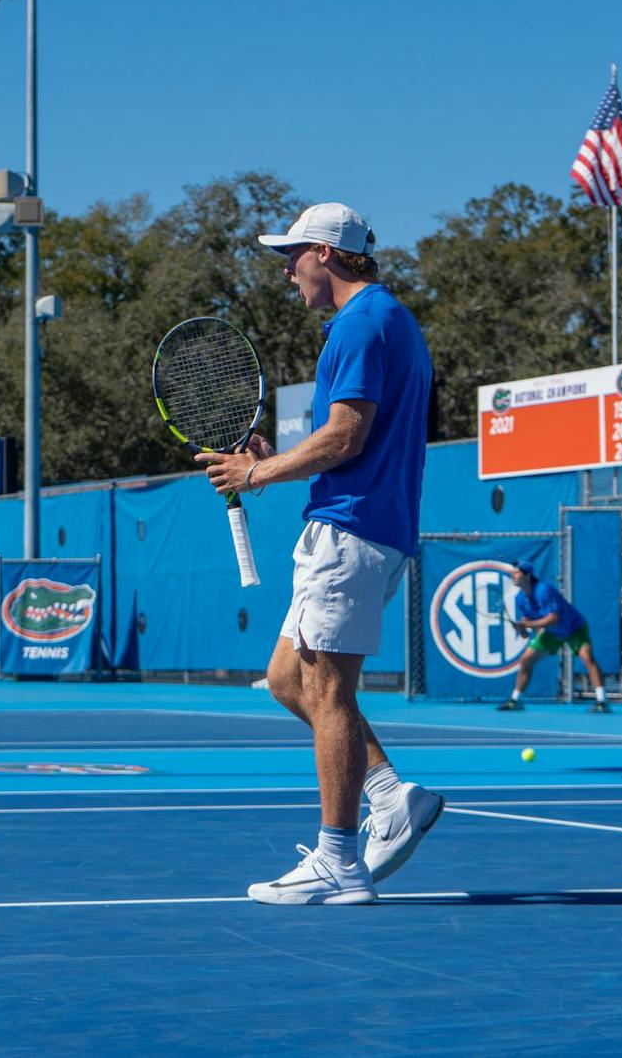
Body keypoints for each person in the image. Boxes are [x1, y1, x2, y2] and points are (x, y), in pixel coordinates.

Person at [197, 202, 442, 905]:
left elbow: (345, 438)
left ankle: (339, 858)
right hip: (361, 521)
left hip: (353, 527)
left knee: (329, 689)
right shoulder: (387, 320)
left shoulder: (361, 323)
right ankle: (391, 795)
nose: (286, 269)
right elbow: (341, 443)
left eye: (293, 254)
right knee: (286, 678)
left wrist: (254, 474)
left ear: (328, 254)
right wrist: (278, 461)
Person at [499, 559, 610, 713]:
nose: (513, 575)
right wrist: (521, 628)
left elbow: (553, 619)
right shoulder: (520, 599)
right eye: (513, 573)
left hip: (574, 627)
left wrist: (526, 625)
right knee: (525, 660)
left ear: (528, 575)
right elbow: (526, 630)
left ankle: (602, 701)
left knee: (587, 657)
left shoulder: (544, 590)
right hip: (552, 633)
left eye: (516, 572)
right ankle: (515, 700)